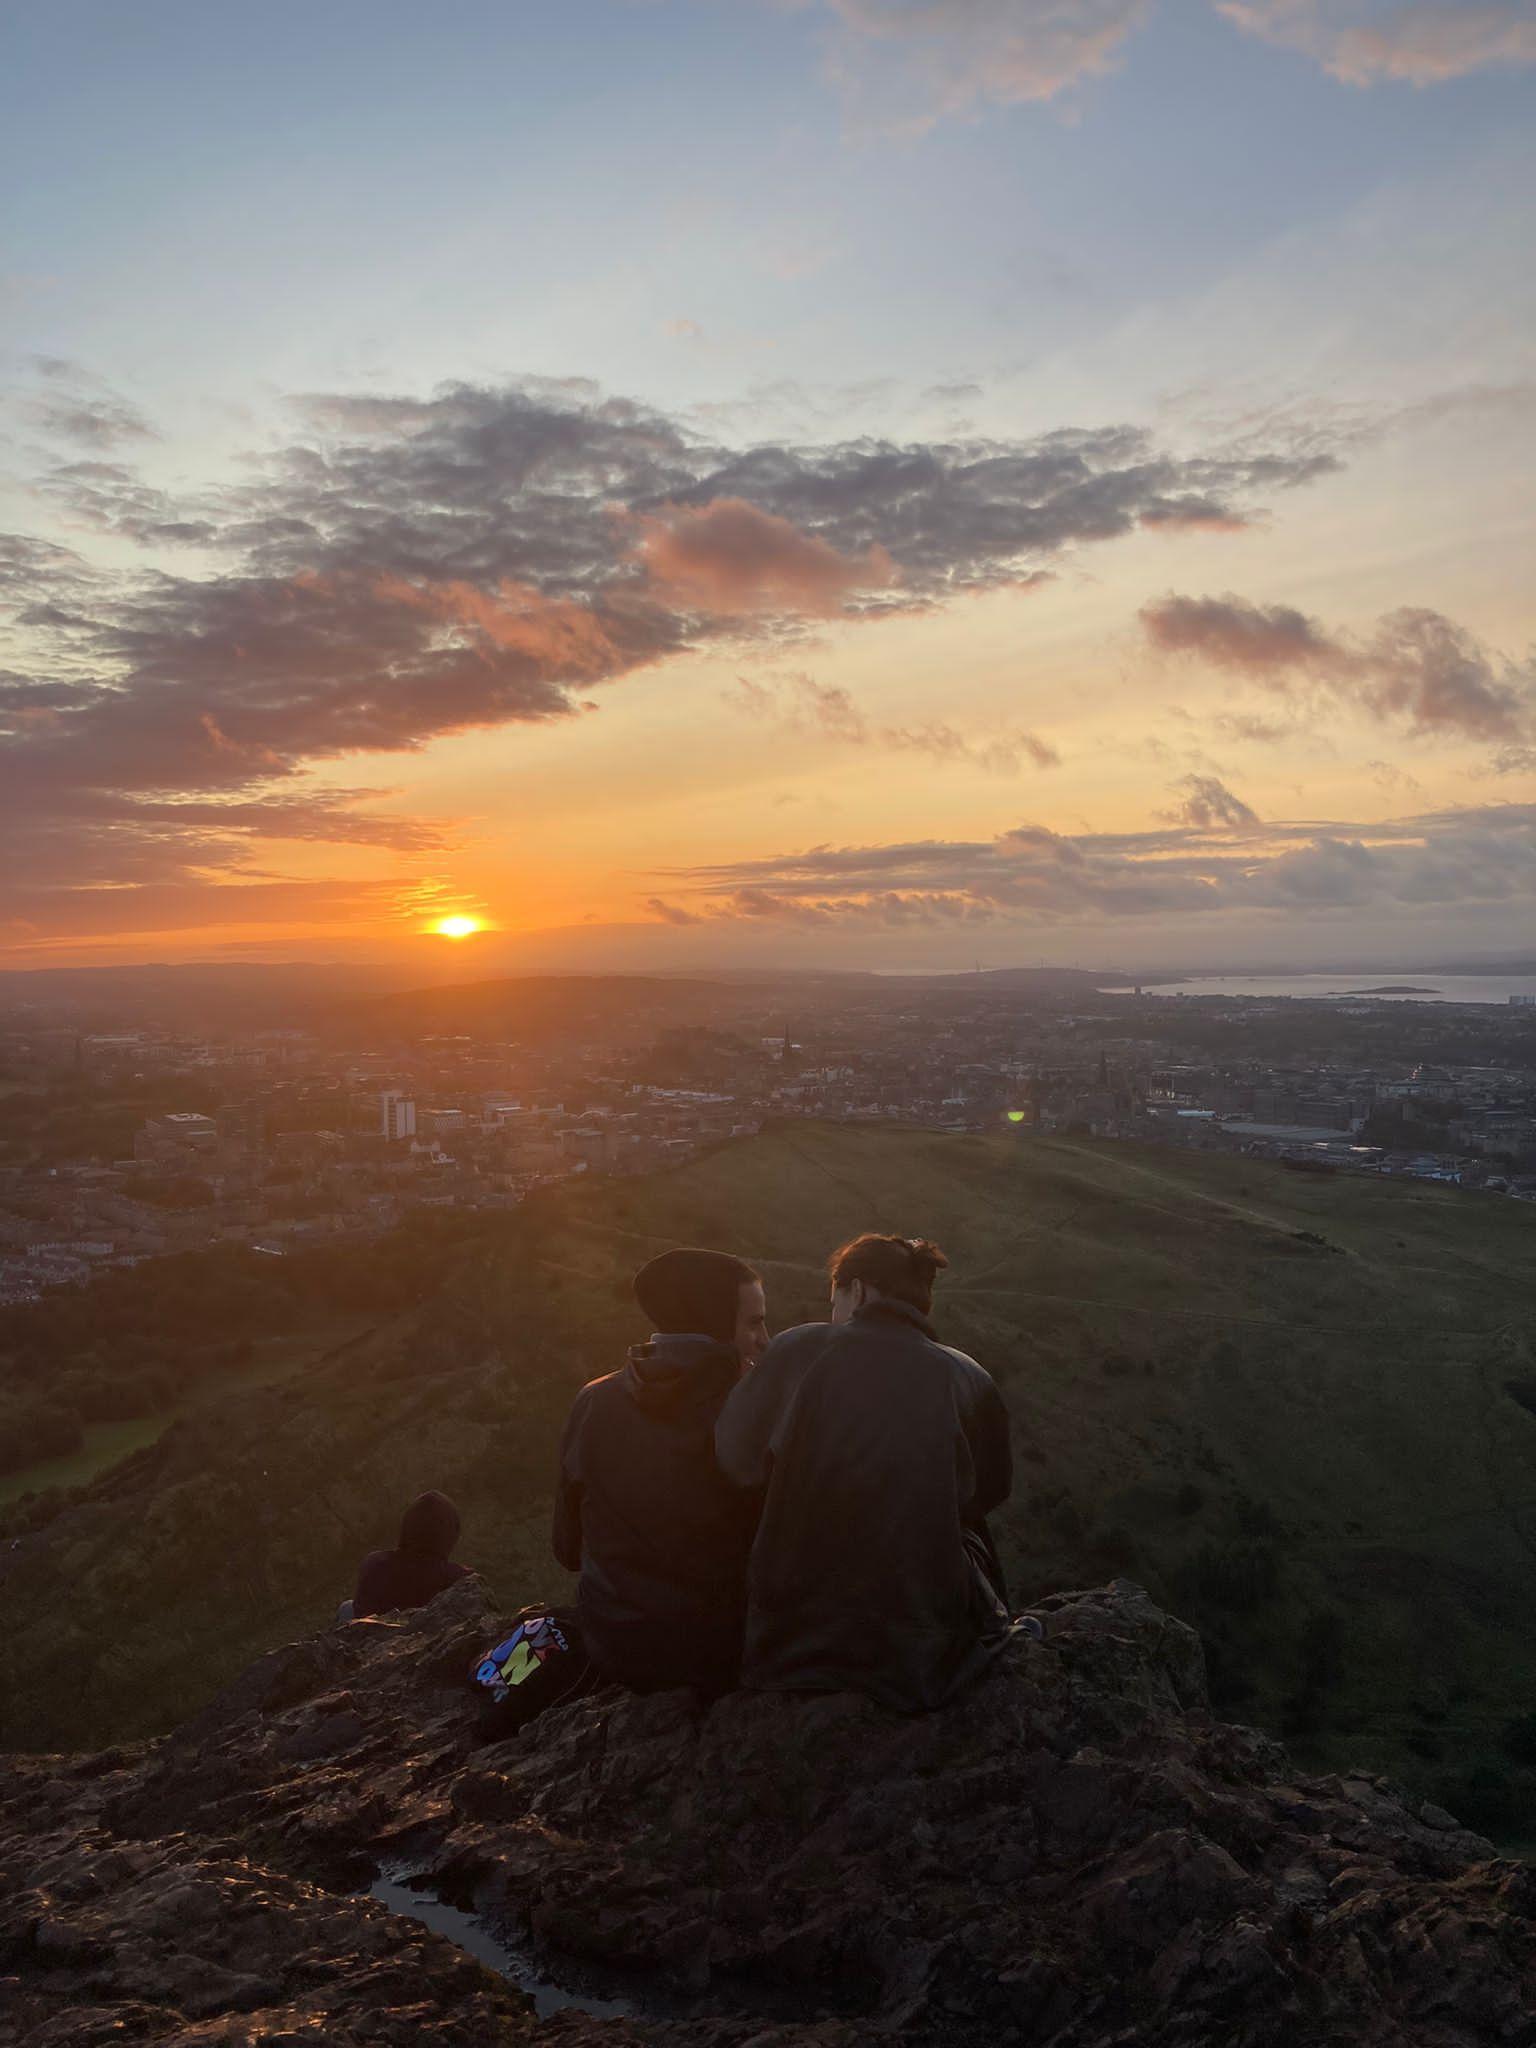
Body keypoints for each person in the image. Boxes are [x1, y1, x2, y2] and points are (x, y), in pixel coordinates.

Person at [714, 1233, 1012, 1714]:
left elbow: (736, 1461)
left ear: (858, 1290)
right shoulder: (968, 1376)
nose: (833, 1312)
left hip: (788, 1649)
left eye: (835, 1299)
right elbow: (990, 1492)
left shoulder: (796, 1350)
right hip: (919, 1661)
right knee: (966, 1524)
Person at [552, 1246, 770, 1694]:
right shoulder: (755, 1412)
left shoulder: (594, 1400)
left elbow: (567, 1551)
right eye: (753, 1322)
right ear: (715, 1324)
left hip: (614, 1644)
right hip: (721, 1652)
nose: (765, 1338)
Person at [352, 1489, 472, 1619]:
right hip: (428, 1634)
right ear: (450, 1535)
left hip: (371, 1635)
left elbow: (361, 1612)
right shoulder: (460, 1579)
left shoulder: (375, 1563)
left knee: (346, 1607)